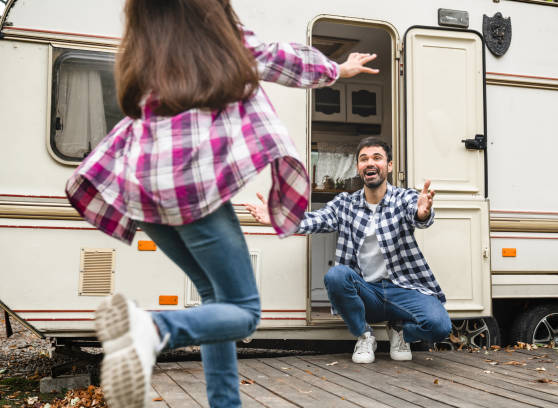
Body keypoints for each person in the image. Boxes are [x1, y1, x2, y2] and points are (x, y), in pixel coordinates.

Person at [64, 1, 378, 407]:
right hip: (187, 187)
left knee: (214, 298)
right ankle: (151, 329)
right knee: (245, 310)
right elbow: (278, 58)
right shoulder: (215, 37)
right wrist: (339, 69)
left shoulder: (144, 50)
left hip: (139, 189)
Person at [247, 137, 452, 364]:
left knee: (440, 326)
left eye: (377, 158)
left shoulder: (403, 198)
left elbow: (418, 213)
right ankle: (364, 336)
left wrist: (422, 213)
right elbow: (313, 220)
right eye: (364, 159)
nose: (370, 163)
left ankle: (402, 331)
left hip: (401, 289)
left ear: (389, 166)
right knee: (336, 275)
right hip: (368, 293)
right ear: (358, 168)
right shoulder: (344, 203)